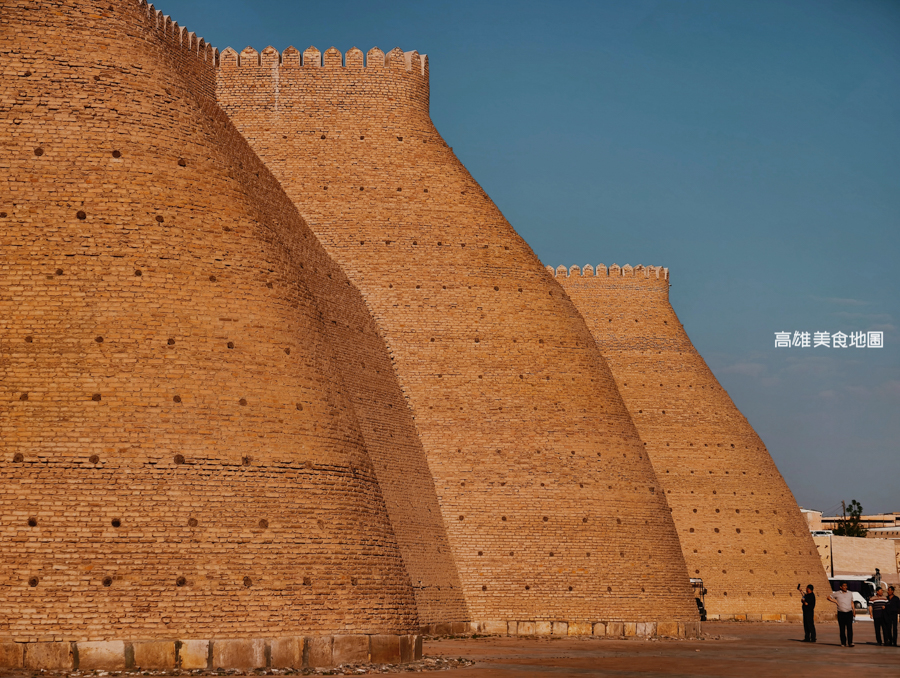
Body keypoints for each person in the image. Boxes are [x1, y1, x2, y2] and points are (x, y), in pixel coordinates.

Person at [827, 582, 856, 646]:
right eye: (844, 586)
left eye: (846, 586)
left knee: (850, 628)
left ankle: (850, 642)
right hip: (841, 613)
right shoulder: (837, 593)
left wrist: (854, 611)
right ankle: (843, 642)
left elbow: (852, 602)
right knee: (842, 629)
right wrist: (835, 601)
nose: (845, 587)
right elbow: (828, 597)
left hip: (849, 612)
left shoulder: (850, 593)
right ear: (840, 587)